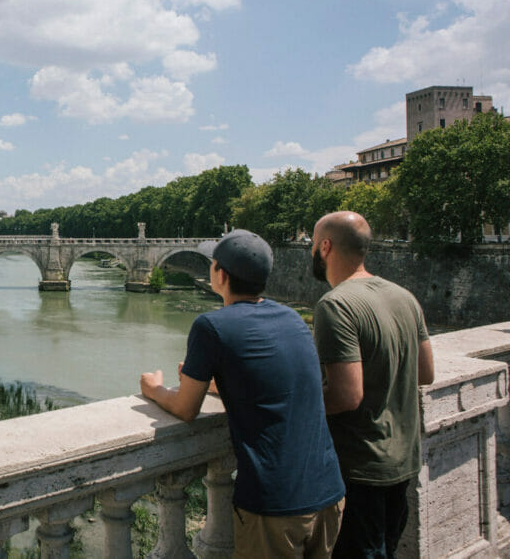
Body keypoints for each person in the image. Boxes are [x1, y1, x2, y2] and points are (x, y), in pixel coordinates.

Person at [141, 229, 344, 557]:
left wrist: (154, 389)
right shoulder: (293, 320)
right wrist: (214, 383)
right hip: (328, 491)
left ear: (220, 274)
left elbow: (185, 408)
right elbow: (272, 381)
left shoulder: (211, 327)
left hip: (275, 502)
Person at [311, 211, 434, 558]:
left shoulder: (336, 305)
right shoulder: (404, 296)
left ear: (325, 247)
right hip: (403, 461)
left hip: (359, 467)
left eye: (312, 243)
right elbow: (426, 373)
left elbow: (346, 396)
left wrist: (288, 404)